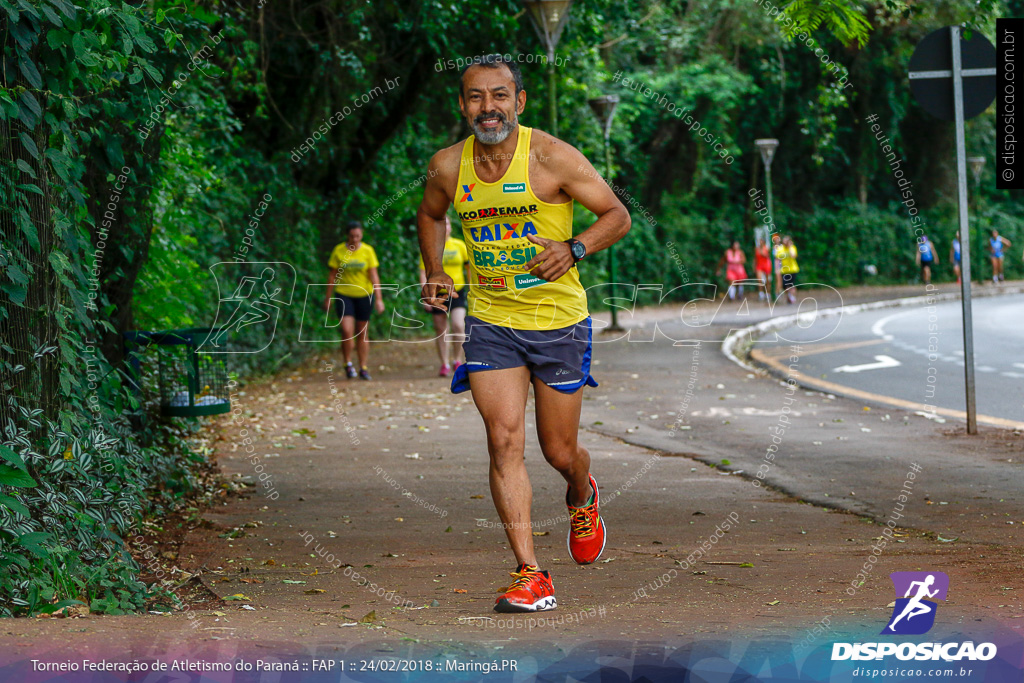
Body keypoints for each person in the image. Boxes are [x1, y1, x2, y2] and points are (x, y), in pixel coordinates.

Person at [416, 54, 630, 613]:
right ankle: (530, 572)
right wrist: (436, 269)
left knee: (558, 451)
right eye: (475, 97)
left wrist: (575, 248)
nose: (488, 108)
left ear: (520, 101)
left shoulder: (551, 158)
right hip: (491, 322)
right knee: (503, 440)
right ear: (462, 105)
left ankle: (582, 494)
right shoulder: (447, 166)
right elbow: (431, 214)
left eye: (499, 96)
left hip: (558, 322)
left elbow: (616, 214)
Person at [323, 221, 385, 380]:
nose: (355, 239)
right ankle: (347, 363)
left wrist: (379, 298)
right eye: (352, 236)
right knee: (346, 330)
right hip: (344, 294)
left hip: (365, 295)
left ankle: (363, 366)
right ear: (347, 236)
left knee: (362, 332)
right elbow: (332, 275)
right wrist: (328, 297)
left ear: (361, 235)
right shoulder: (338, 251)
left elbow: (374, 275)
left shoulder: (368, 251)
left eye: (358, 236)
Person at [418, 214, 470, 377]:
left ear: (450, 227)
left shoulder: (460, 245)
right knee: (441, 329)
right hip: (437, 292)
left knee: (458, 325)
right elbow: (423, 273)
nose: (444, 228)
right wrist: (426, 295)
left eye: (446, 224)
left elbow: (469, 268)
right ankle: (444, 363)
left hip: (457, 291)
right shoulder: (430, 247)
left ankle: (457, 359)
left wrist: (472, 288)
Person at [776, 235, 799, 304]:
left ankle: (792, 297)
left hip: (793, 269)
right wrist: (777, 268)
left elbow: (793, 256)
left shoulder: (792, 248)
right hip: (784, 270)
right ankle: (789, 296)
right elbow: (778, 259)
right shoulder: (780, 249)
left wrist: (789, 248)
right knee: (785, 285)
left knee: (791, 285)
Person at [771, 232, 784, 298]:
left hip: (779, 264)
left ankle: (777, 292)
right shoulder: (772, 247)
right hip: (774, 264)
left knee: (779, 278)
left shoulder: (782, 247)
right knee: (776, 278)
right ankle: (776, 291)